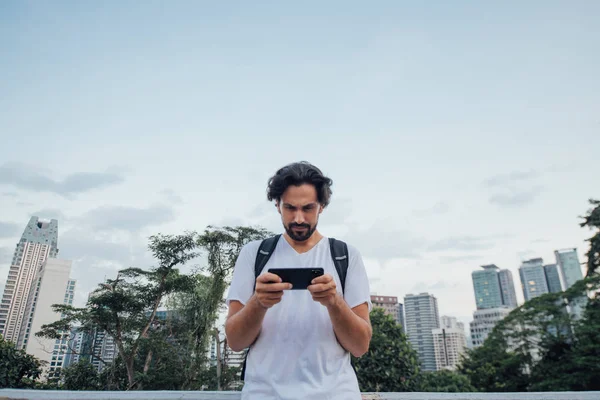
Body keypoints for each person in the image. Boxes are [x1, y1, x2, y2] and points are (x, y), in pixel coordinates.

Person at [225, 161, 372, 400]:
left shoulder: (346, 256)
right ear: (277, 205)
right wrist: (258, 303)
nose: (299, 218)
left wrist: (334, 302)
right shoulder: (254, 254)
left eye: (308, 208)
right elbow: (235, 341)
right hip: (265, 395)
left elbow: (360, 346)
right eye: (290, 208)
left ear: (322, 206)